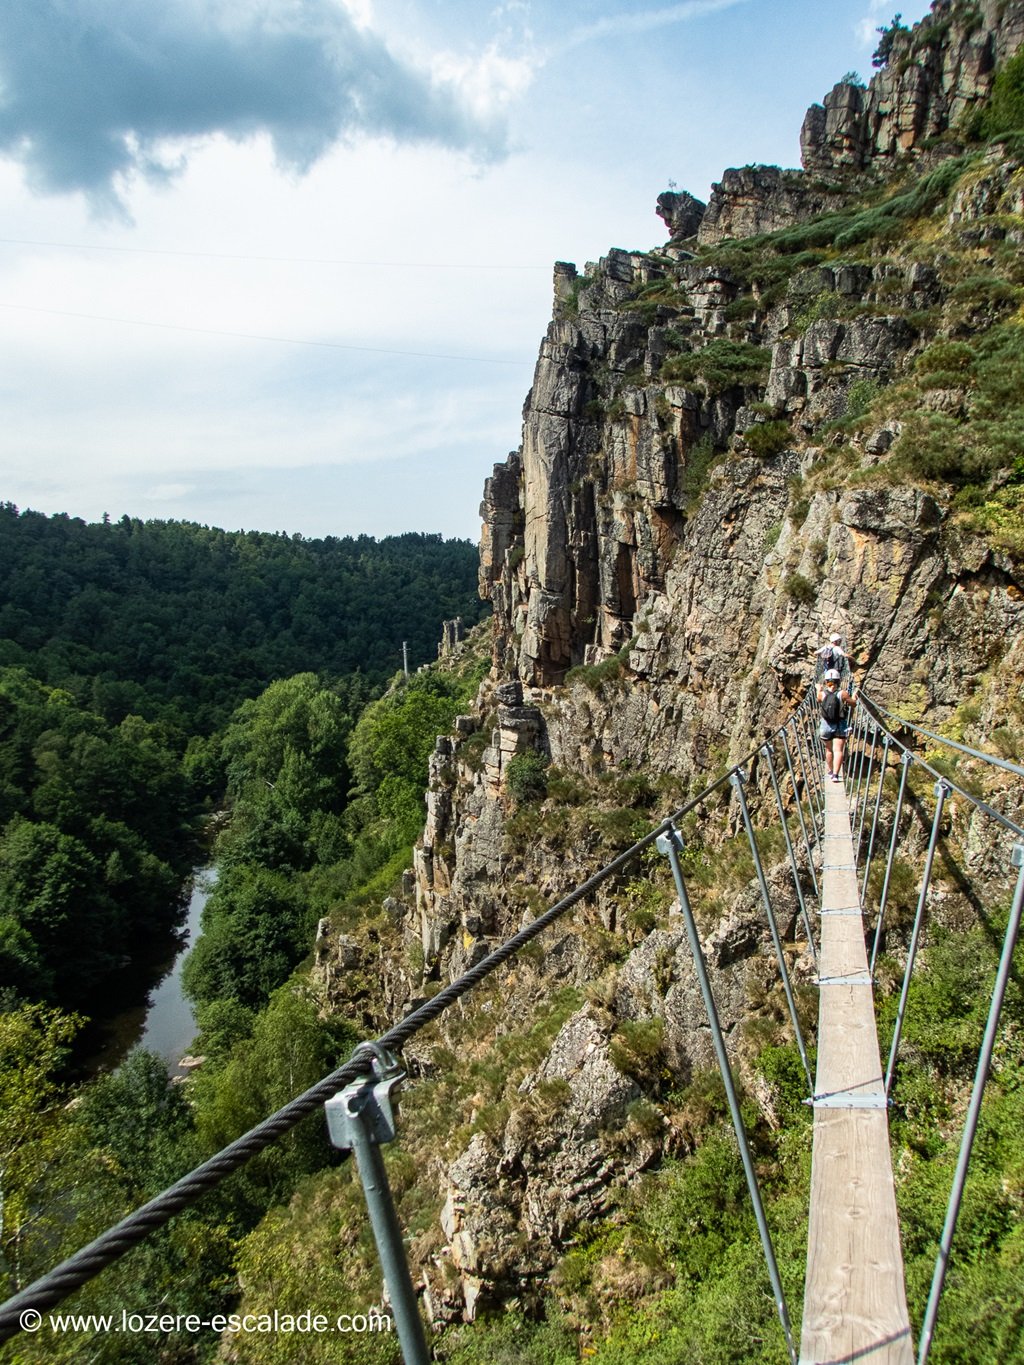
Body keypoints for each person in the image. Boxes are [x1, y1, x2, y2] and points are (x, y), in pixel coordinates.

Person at [817, 667, 855, 781]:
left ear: (826, 681)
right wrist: (854, 697)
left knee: (828, 750)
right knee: (838, 750)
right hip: (840, 724)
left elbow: (818, 700)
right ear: (839, 681)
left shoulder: (821, 694)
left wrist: (818, 689)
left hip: (825, 725)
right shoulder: (842, 693)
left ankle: (830, 770)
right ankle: (835, 775)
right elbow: (853, 704)